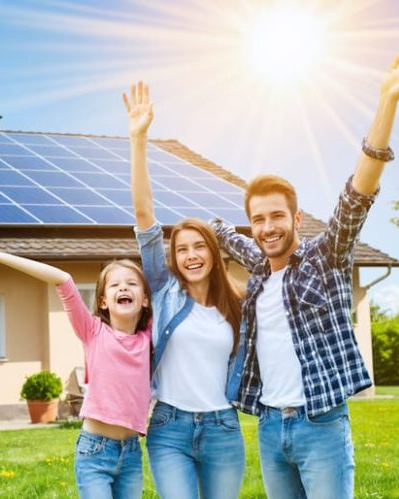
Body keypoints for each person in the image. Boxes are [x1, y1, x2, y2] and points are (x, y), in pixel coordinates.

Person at [212, 45, 399, 498]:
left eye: (276, 216)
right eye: (258, 219)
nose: (267, 227)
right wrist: (209, 228)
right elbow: (229, 240)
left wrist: (386, 101)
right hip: (271, 427)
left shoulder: (326, 255)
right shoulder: (258, 267)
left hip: (322, 424)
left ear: (295, 219)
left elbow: (358, 194)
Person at [0, 242, 153, 499]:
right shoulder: (92, 331)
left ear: (146, 299)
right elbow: (63, 279)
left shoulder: (149, 337)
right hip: (95, 452)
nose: (123, 287)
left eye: (132, 283)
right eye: (115, 285)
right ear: (102, 302)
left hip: (132, 453)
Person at [123, 81, 246, 498]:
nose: (191, 256)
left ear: (213, 254)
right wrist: (138, 139)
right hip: (169, 428)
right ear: (172, 258)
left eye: (199, 247)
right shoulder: (163, 290)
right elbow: (144, 215)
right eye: (182, 249)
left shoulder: (237, 305)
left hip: (223, 428)